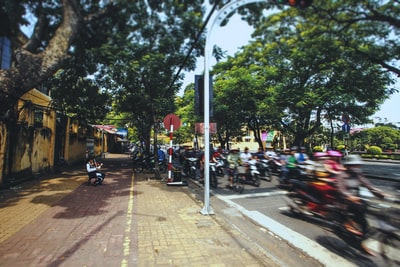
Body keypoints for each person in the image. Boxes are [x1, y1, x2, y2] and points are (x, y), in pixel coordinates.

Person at [336, 154, 385, 255]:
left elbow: (368, 185)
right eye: (354, 165)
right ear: (348, 165)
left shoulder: (358, 175)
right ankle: (348, 225)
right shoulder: (341, 175)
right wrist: (348, 196)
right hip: (344, 202)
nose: (357, 167)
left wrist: (378, 192)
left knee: (365, 223)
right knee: (362, 221)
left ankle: (361, 241)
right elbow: (340, 189)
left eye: (358, 165)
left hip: (357, 201)